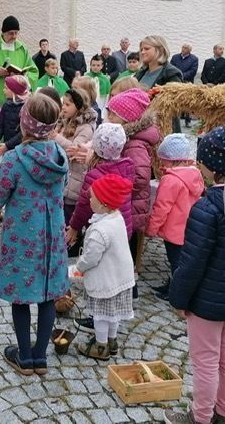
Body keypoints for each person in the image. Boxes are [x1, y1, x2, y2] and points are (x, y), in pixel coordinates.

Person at [0, 94, 68, 375]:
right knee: (48, 296)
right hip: (53, 236)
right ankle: (40, 357)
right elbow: (60, 190)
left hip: (23, 237)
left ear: (24, 123)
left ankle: (24, 357)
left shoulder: (14, 159)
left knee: (20, 296)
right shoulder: (59, 156)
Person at [166, 126, 225, 424]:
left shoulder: (207, 208)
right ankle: (222, 411)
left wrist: (178, 298)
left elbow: (191, 263)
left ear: (213, 167)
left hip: (208, 303)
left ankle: (201, 417)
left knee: (205, 361)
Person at [106, 87, 160, 300]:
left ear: (126, 118)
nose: (108, 117)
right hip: (127, 205)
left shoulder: (135, 144)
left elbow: (139, 177)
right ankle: (130, 293)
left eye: (112, 114)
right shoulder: (129, 138)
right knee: (123, 255)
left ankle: (126, 295)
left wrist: (114, 182)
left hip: (129, 207)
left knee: (123, 255)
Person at [76, 174, 135, 360]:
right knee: (113, 315)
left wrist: (78, 267)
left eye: (92, 196)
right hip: (121, 278)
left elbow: (91, 258)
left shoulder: (99, 231)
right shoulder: (116, 218)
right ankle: (112, 341)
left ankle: (100, 347)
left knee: (101, 315)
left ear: (104, 203)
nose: (89, 198)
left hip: (106, 281)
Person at [146, 134, 203, 301]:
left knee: (176, 263)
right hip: (188, 228)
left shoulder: (171, 180)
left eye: (163, 159)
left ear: (171, 160)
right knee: (179, 260)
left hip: (173, 231)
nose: (162, 163)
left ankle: (177, 293)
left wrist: (152, 228)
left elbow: (161, 208)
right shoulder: (194, 175)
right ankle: (173, 285)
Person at [67, 123, 135, 258]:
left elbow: (83, 206)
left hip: (101, 233)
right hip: (123, 229)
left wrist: (74, 228)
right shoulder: (126, 168)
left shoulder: (95, 175)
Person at [54, 88, 97, 223]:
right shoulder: (65, 122)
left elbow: (74, 150)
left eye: (68, 104)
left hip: (75, 182)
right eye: (63, 104)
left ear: (78, 106)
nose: (63, 107)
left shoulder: (85, 128)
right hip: (64, 181)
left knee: (70, 220)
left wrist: (55, 137)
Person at [0, 75, 29, 159]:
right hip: (8, 146)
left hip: (21, 148)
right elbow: (0, 125)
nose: (3, 90)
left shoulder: (26, 107)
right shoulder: (7, 104)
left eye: (6, 88)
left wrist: (7, 145)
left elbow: (24, 132)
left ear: (14, 90)